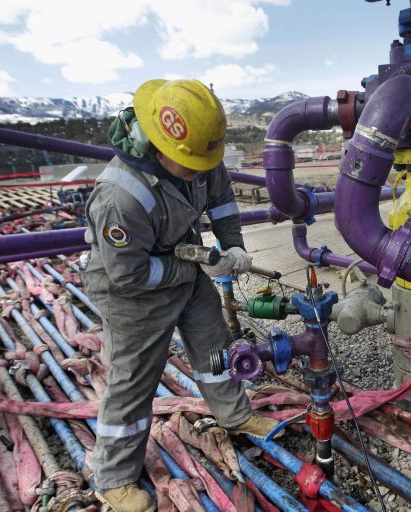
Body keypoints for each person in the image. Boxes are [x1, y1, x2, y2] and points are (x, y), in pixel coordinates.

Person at [84, 79, 279, 511]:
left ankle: (234, 415)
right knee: (133, 383)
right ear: (158, 146)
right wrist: (193, 264)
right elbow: (128, 273)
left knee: (213, 350)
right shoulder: (120, 196)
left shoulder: (199, 153)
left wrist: (233, 247)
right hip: (131, 293)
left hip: (186, 273)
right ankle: (112, 477)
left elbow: (223, 200)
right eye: (190, 164)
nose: (200, 171)